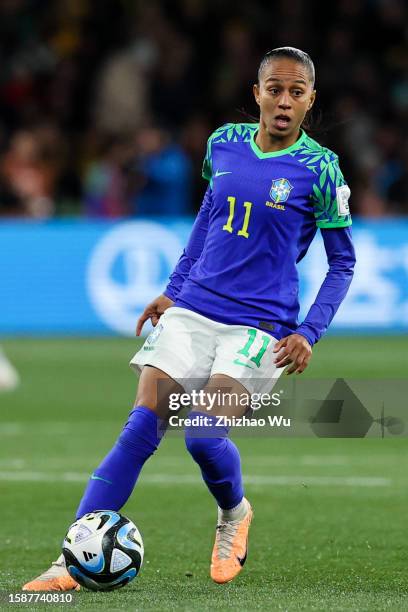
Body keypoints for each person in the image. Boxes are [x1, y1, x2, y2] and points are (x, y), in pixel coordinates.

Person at [23, 47, 356, 591]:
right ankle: (70, 560)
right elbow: (208, 216)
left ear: (310, 100)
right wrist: (173, 292)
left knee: (203, 433)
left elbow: (343, 261)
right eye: (274, 88)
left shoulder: (321, 169)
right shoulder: (223, 143)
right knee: (141, 426)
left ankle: (234, 513)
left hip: (260, 326)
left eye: (297, 92)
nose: (284, 101)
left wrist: (308, 331)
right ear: (257, 93)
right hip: (196, 307)